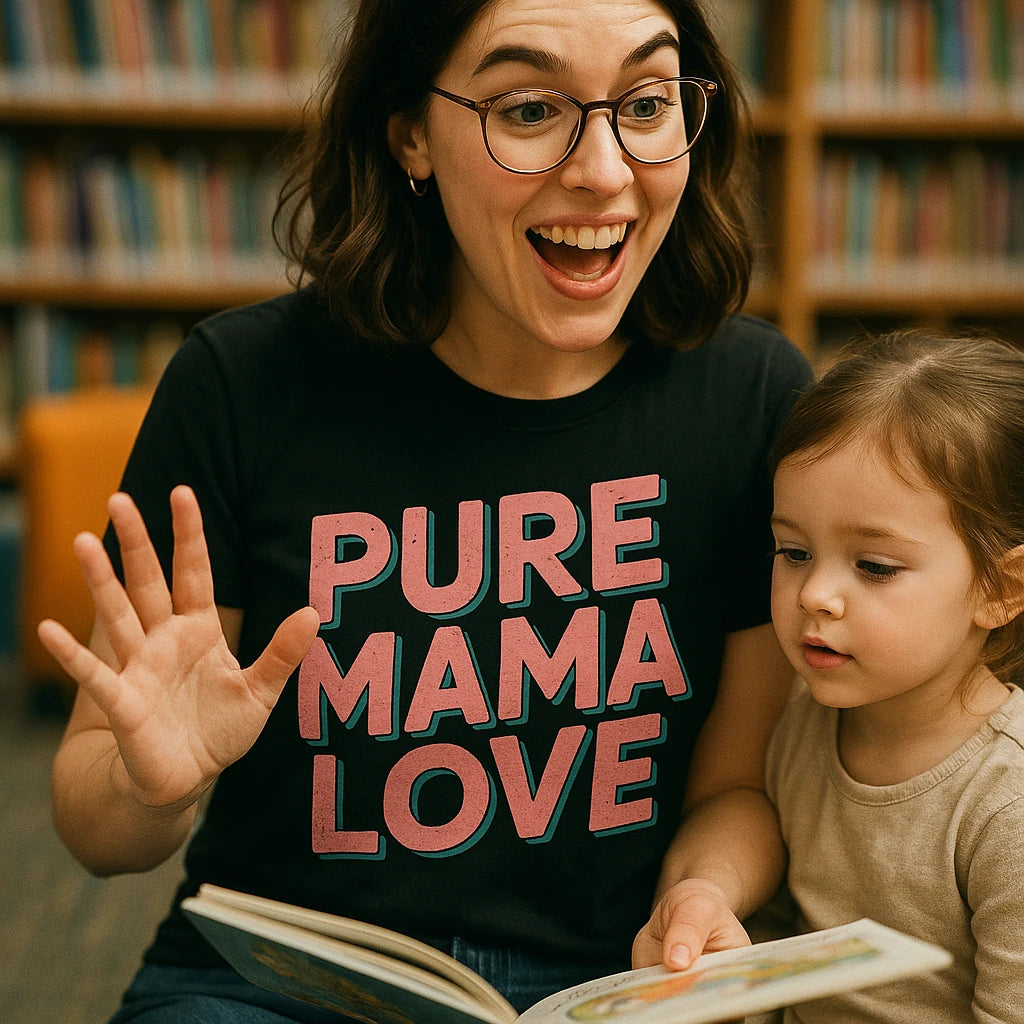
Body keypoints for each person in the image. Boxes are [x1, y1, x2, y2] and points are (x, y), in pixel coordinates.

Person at [39, 1, 812, 1020]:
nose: (604, 170)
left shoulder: (753, 400)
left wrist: (701, 896)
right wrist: (155, 788)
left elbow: (733, 789)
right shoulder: (241, 384)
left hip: (615, 978)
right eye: (531, 107)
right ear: (409, 132)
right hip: (274, 979)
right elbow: (98, 833)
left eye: (647, 101)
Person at [766, 329, 1024, 1022]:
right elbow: (775, 944)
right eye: (792, 551)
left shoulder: (1010, 800)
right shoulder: (801, 717)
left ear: (1000, 590)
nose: (815, 594)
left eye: (875, 567)